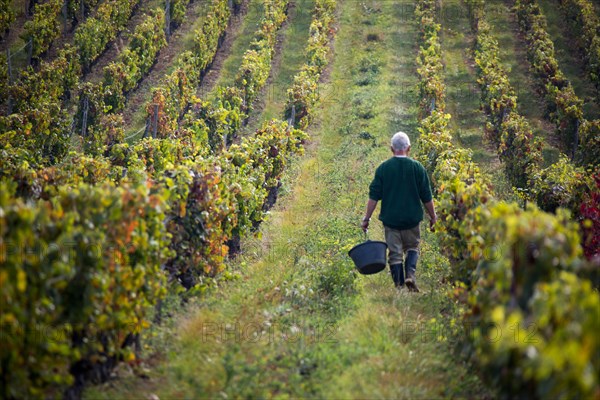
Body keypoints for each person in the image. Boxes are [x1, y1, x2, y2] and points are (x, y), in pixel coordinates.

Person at [361, 131, 437, 292]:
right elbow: (427, 196)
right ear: (409, 148)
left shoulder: (383, 169)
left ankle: (400, 288)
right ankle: (410, 274)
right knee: (412, 247)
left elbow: (373, 197)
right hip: (411, 219)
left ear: (391, 149)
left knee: (395, 254)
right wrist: (433, 216)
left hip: (391, 220)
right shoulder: (417, 168)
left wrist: (366, 218)